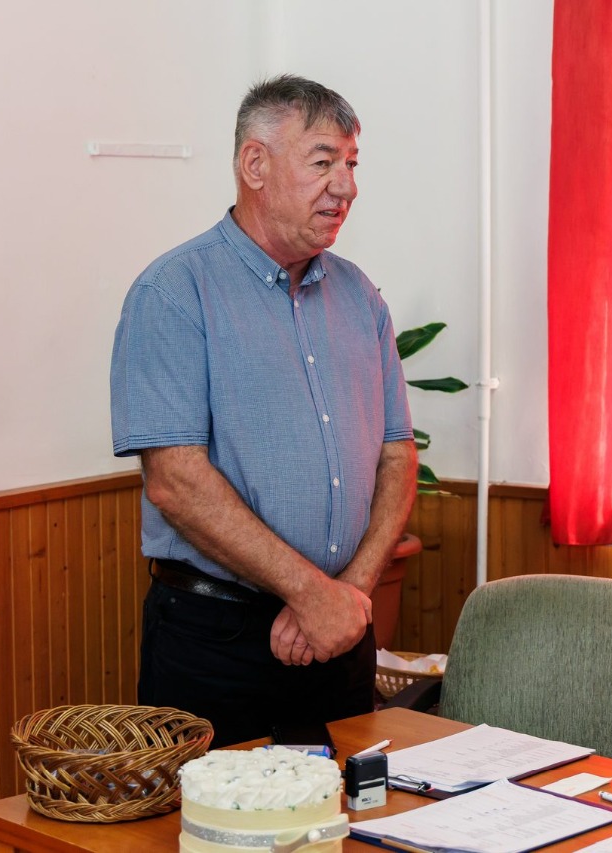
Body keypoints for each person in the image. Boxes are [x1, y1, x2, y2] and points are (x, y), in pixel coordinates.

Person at [109, 74, 417, 748]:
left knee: (343, 811)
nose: (346, 187)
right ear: (255, 164)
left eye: (352, 164)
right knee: (210, 815)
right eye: (323, 162)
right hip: (214, 645)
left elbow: (398, 454)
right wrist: (310, 593)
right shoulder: (173, 293)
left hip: (340, 634)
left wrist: (349, 594)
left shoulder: (360, 296)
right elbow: (175, 482)